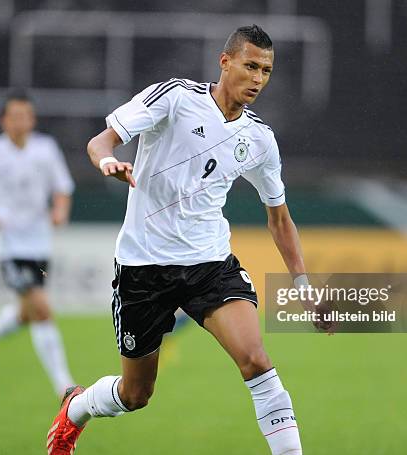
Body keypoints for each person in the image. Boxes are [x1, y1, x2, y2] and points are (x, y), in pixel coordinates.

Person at [48, 25, 315, 454]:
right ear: (225, 62)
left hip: (210, 264)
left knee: (257, 361)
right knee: (136, 395)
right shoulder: (175, 98)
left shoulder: (260, 139)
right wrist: (108, 161)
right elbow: (100, 141)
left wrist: (303, 284)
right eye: (250, 66)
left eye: (266, 70)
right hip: (143, 267)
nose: (258, 79)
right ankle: (77, 407)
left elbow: (279, 218)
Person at [0, 90, 76, 397]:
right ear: (3, 120)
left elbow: (62, 186)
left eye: (25, 116)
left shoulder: (46, 149)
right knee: (41, 308)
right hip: (8, 244)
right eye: (14, 116)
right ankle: (64, 387)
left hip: (39, 242)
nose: (20, 122)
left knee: (26, 312)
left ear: (32, 119)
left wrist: (60, 210)